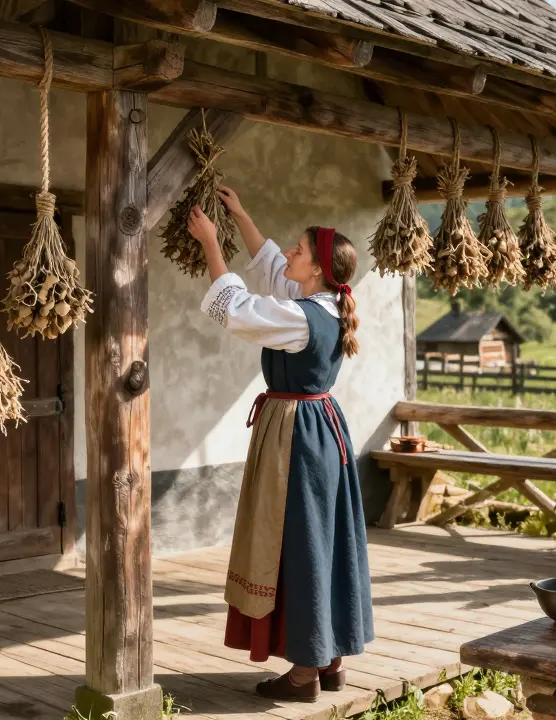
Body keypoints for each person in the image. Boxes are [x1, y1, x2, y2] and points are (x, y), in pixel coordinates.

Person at [187, 186, 374, 703]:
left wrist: (209, 244)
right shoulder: (322, 305)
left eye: (299, 250)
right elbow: (269, 266)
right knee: (323, 538)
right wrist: (241, 214)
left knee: (299, 541)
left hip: (298, 437)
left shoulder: (299, 317)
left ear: (316, 270)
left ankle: (302, 673)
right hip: (320, 430)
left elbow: (241, 310)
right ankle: (330, 659)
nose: (288, 253)